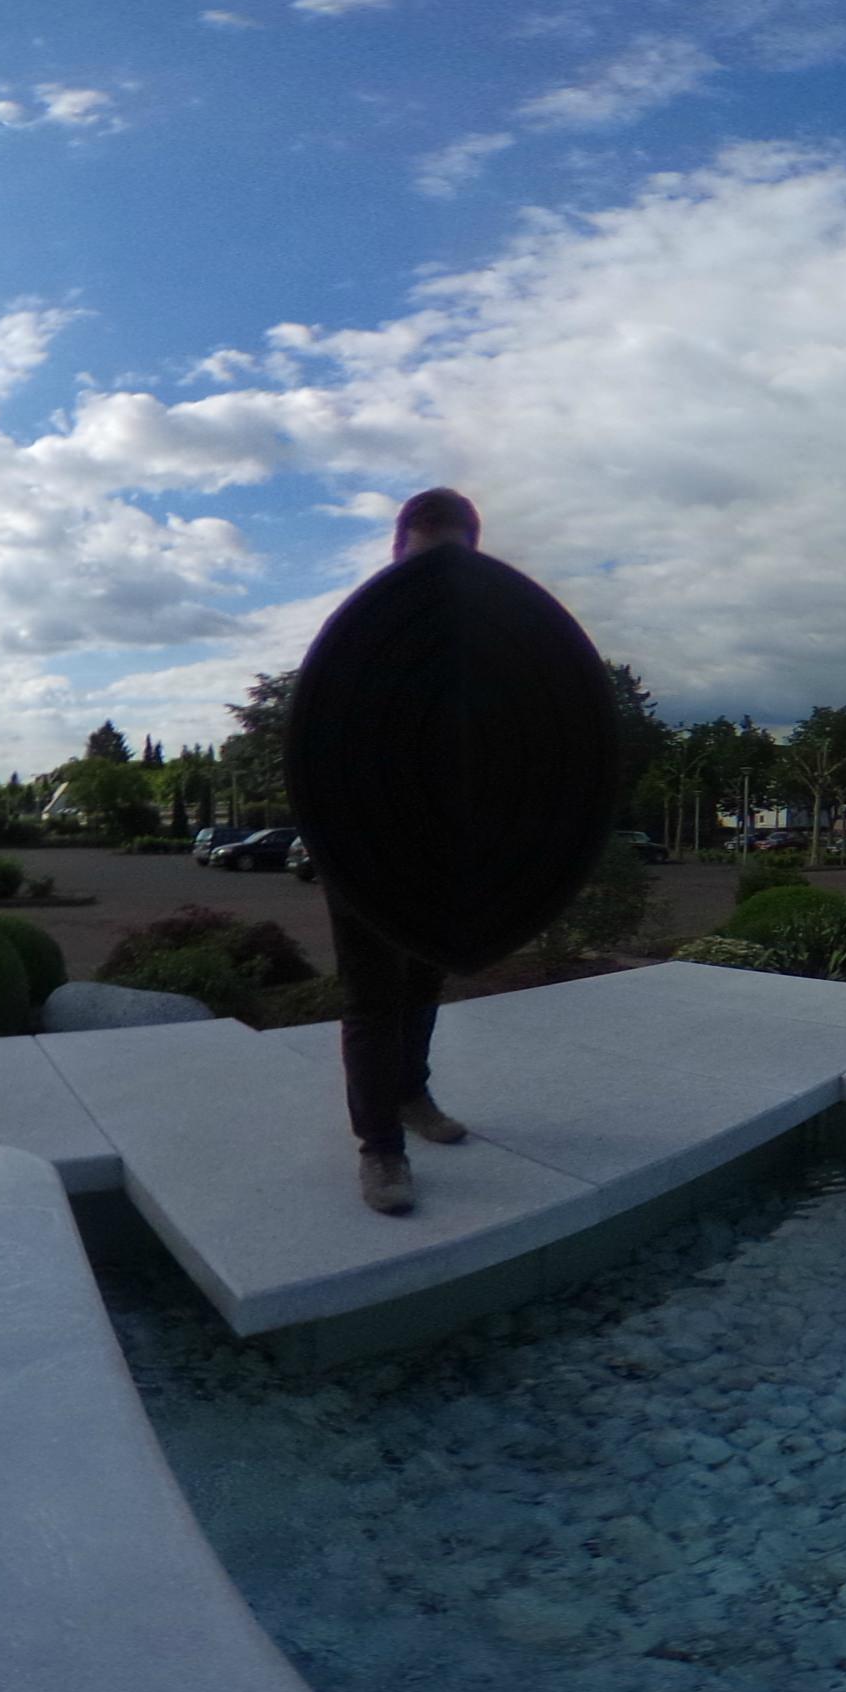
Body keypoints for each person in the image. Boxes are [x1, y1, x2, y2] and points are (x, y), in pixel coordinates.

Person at [333, 489, 487, 1215]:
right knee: (373, 998)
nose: (433, 576)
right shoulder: (362, 632)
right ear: (396, 553)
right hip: (359, 840)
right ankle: (380, 1149)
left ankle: (410, 1093)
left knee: (424, 979)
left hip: (439, 842)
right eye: (422, 559)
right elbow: (319, 743)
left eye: (450, 562)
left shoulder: (480, 642)